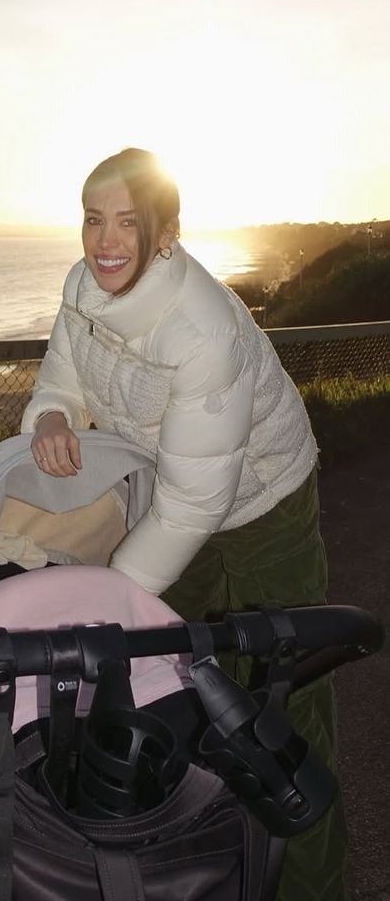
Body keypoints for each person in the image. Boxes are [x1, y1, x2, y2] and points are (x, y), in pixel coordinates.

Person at [21, 147, 346, 901]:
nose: (103, 241)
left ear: (165, 233)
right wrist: (50, 417)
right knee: (179, 677)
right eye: (92, 219)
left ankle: (312, 886)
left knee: (278, 709)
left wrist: (105, 601)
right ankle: (214, 860)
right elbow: (59, 379)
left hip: (263, 502)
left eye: (126, 224)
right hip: (174, 493)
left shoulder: (199, 329)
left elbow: (197, 504)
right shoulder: (81, 287)